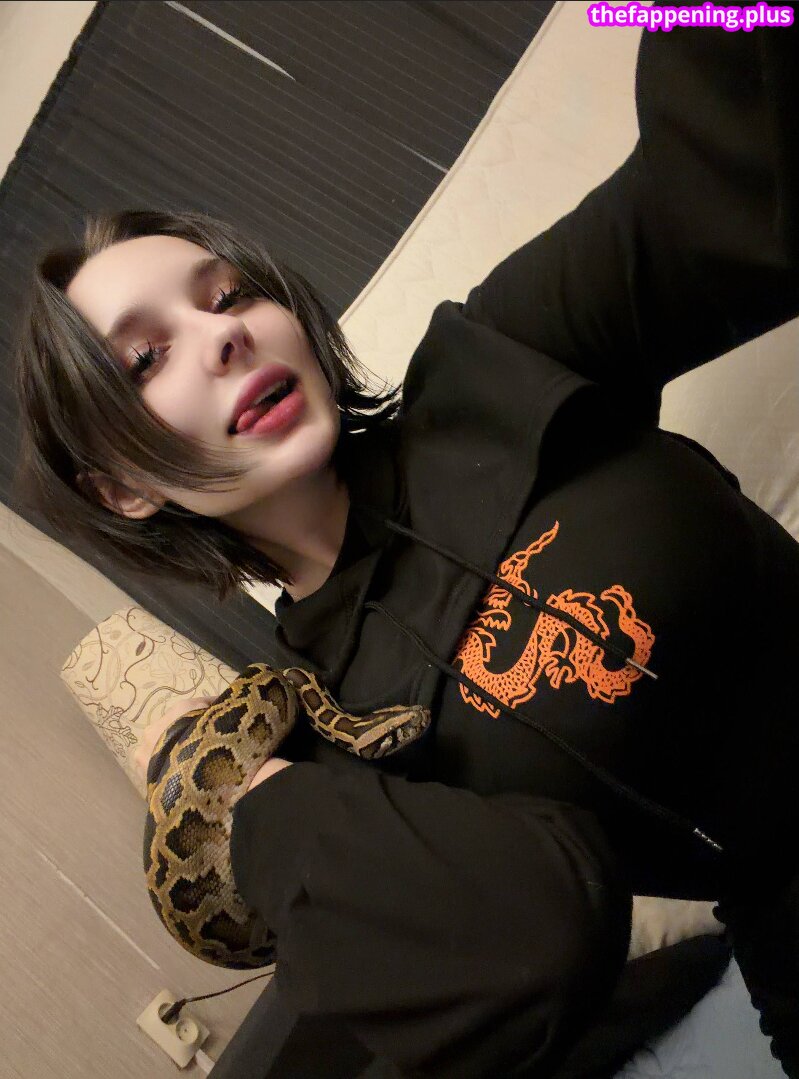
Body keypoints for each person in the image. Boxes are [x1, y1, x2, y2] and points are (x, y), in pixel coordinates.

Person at [12, 6, 799, 1076]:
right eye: (146, 358)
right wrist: (252, 802)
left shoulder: (500, 357)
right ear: (123, 488)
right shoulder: (318, 756)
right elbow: (535, 948)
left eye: (227, 293)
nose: (223, 332)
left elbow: (733, 177)